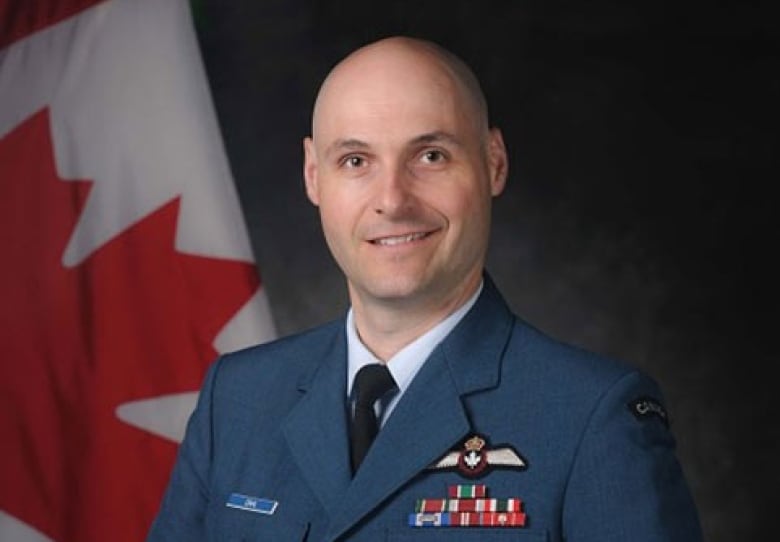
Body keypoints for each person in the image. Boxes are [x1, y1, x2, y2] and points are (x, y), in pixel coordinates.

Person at [147, 36, 703, 541]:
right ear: (314, 176)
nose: (393, 199)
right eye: (356, 160)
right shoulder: (238, 400)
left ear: (494, 163)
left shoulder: (592, 417)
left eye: (430, 155)